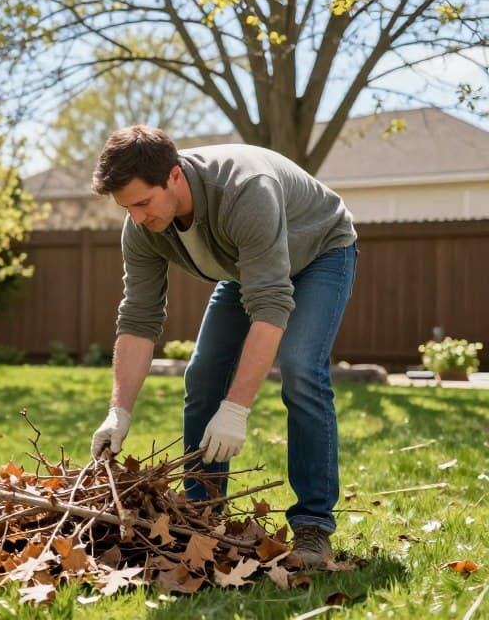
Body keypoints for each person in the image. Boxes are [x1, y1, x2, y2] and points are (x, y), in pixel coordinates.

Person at [88, 126, 357, 568]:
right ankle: (202, 516)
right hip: (246, 267)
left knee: (301, 368)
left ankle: (313, 526)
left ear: (174, 177)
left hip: (319, 252)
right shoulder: (141, 227)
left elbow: (270, 306)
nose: (136, 217)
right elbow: (138, 318)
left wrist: (236, 409)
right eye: (126, 207)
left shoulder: (245, 189)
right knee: (203, 373)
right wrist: (120, 409)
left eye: (142, 203)